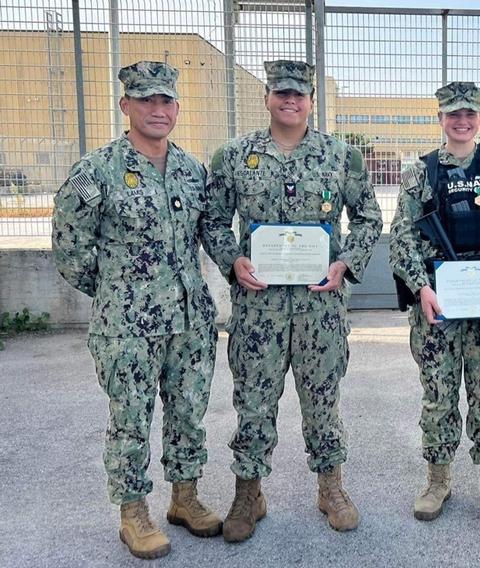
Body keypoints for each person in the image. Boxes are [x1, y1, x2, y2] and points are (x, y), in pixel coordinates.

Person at [204, 60, 382, 541]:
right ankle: (248, 492)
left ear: (310, 100)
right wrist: (233, 261)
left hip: (319, 308)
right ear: (267, 98)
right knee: (254, 402)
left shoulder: (339, 156)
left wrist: (344, 263)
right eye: (281, 93)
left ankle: (331, 488)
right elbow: (215, 221)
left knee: (323, 401)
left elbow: (368, 218)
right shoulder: (236, 156)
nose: (290, 101)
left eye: (298, 94)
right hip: (258, 308)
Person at [52, 61, 222, 559]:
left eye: (165, 100)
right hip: (127, 327)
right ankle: (133, 513)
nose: (157, 109)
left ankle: (184, 499)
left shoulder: (192, 170)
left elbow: (204, 235)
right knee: (130, 418)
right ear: (125, 105)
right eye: (145, 100)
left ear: (176, 108)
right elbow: (69, 249)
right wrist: (117, 294)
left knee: (189, 413)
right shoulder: (96, 170)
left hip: (189, 322)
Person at [388, 81, 480, 521]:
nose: (462, 121)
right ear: (441, 119)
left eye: (470, 113)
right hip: (439, 302)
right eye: (453, 114)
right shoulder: (421, 173)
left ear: (479, 118)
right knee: (437, 394)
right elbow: (402, 236)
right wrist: (421, 287)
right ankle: (438, 479)